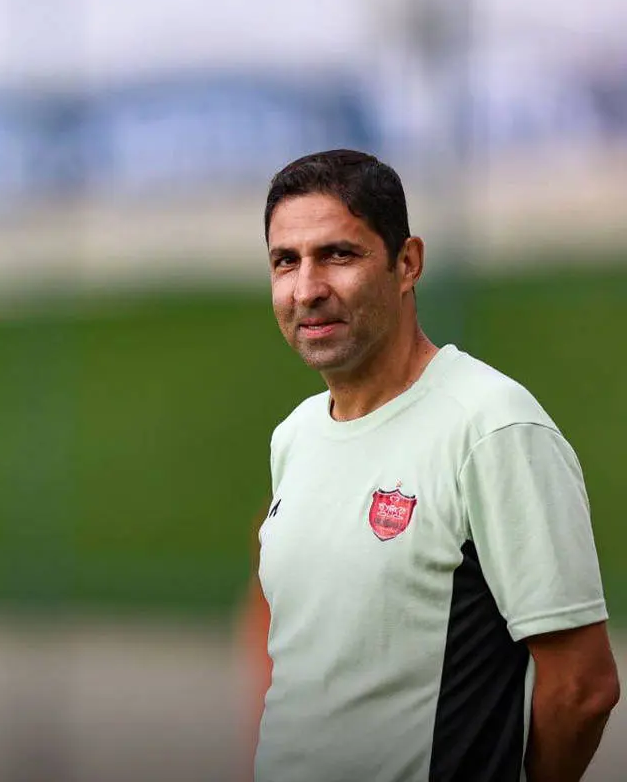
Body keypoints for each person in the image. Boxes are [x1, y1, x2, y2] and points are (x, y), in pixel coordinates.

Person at [251, 149, 618, 782]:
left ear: (407, 263)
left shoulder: (492, 426)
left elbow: (582, 687)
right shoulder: (296, 436)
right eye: (287, 261)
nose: (307, 289)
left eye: (338, 255)